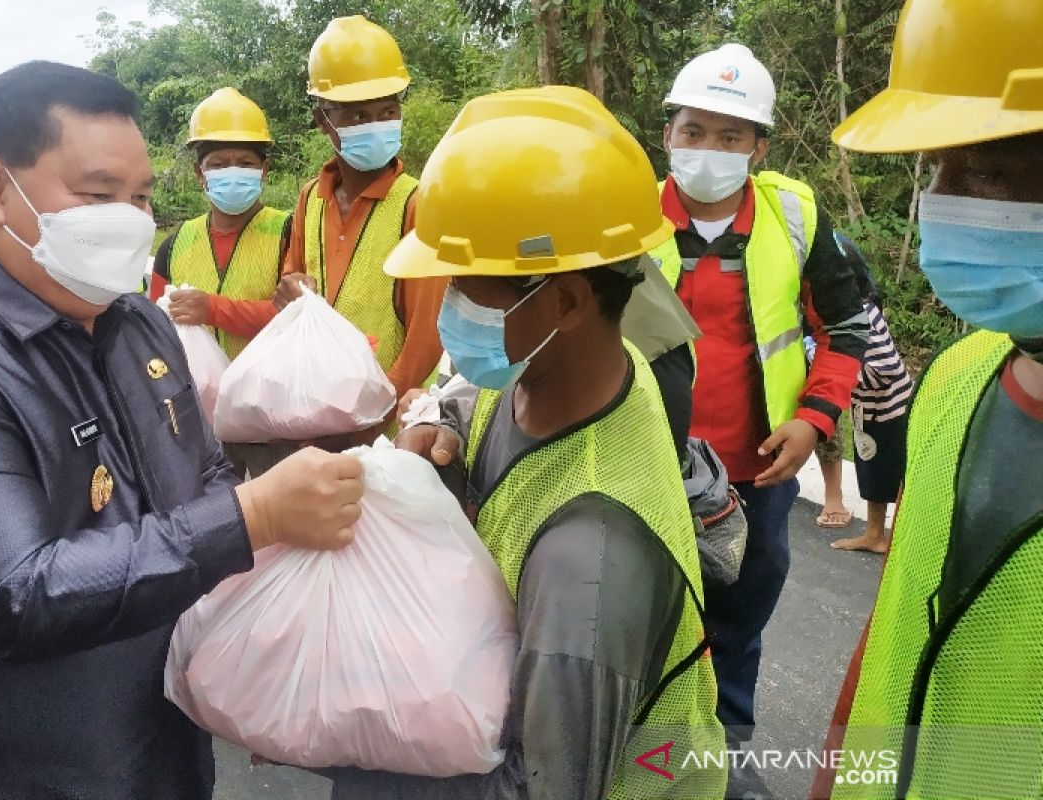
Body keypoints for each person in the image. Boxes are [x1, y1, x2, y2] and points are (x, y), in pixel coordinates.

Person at [0, 61, 365, 800]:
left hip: (157, 751)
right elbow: (13, 594)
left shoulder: (138, 324)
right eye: (96, 196)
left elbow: (203, 474)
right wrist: (256, 516)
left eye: (141, 197)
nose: (128, 218)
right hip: (4, 775)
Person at [317, 85, 726, 800]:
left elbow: (543, 787)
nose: (449, 309)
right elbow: (479, 396)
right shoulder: (572, 369)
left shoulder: (591, 564)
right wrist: (441, 420)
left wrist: (353, 743)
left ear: (566, 299)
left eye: (468, 289)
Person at [813, 2, 1043, 797]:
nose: (936, 202)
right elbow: (897, 625)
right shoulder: (959, 375)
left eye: (981, 170)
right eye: (933, 169)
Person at [648, 43, 868, 770]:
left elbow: (845, 328)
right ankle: (639, 767)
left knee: (736, 634)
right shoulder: (629, 218)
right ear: (668, 134)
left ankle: (723, 768)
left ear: (759, 147)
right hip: (643, 471)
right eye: (694, 131)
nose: (709, 149)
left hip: (757, 478)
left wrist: (814, 419)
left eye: (731, 135)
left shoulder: (794, 215)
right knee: (644, 626)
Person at [274, 15, 447, 446]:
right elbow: (290, 288)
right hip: (317, 414)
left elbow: (426, 339)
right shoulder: (309, 198)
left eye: (387, 111)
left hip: (392, 430)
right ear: (322, 120)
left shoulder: (417, 204)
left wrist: (369, 422)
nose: (376, 123)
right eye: (357, 115)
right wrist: (289, 291)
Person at [148, 87, 289, 359]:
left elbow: (298, 315)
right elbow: (155, 327)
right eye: (219, 164)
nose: (232, 173)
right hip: (198, 395)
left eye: (246, 163)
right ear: (199, 174)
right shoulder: (173, 246)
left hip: (271, 395)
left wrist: (212, 310)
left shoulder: (290, 233)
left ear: (264, 171)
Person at [816, 233, 912, 552]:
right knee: (871, 470)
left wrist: (845, 377)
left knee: (892, 473)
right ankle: (874, 534)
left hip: (889, 410)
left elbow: (886, 368)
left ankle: (894, 537)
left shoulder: (864, 314)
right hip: (868, 409)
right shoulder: (850, 314)